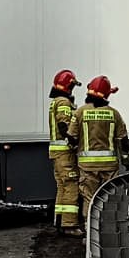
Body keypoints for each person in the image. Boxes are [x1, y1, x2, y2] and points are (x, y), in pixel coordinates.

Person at [74, 75, 129, 207]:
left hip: (87, 166)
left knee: (89, 198)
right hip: (109, 166)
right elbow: (123, 140)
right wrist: (126, 161)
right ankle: (107, 226)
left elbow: (71, 136)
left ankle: (89, 225)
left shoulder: (80, 112)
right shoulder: (114, 114)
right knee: (109, 197)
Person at [47, 70, 83, 236]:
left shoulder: (55, 101)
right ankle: (70, 225)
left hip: (56, 153)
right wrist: (73, 141)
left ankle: (60, 221)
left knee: (62, 187)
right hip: (64, 153)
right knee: (71, 187)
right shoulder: (63, 103)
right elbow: (64, 125)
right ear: (68, 86)